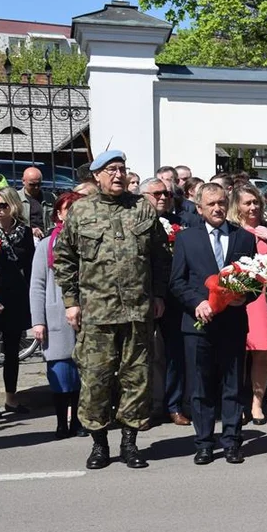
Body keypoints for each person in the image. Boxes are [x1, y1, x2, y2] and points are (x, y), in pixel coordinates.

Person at [54, 150, 170, 470]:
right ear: (97, 176)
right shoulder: (80, 212)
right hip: (97, 313)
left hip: (137, 311)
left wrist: (158, 294)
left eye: (121, 169)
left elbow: (161, 258)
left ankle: (130, 443)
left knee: (136, 379)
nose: (118, 175)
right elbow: (64, 260)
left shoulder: (143, 209)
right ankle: (100, 444)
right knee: (96, 379)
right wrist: (71, 301)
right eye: (111, 170)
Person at [170, 182, 257, 464]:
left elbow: (256, 281)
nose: (218, 208)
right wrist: (198, 303)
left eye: (221, 203)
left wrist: (243, 297)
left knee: (232, 385)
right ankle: (204, 442)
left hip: (232, 323)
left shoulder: (243, 237)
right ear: (199, 208)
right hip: (199, 325)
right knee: (201, 387)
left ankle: (232, 441)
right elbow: (177, 282)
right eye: (211, 204)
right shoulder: (186, 239)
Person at [30, 192, 87, 439]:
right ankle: (61, 423)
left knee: (80, 374)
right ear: (58, 214)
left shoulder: (87, 240)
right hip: (56, 315)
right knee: (61, 374)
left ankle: (77, 421)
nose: (70, 213)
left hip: (85, 313)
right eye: (66, 209)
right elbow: (37, 284)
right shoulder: (46, 245)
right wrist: (38, 321)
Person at [231, 184, 267, 424]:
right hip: (240, 297)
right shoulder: (231, 230)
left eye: (256, 202)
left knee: (263, 352)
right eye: (247, 203)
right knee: (239, 353)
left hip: (263, 298)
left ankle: (257, 403)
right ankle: (239, 402)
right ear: (237, 206)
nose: (253, 207)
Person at [140, 177, 191, 427]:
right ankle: (146, 406)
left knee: (174, 354)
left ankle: (173, 405)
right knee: (142, 355)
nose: (163, 197)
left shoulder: (180, 224)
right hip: (141, 297)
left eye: (167, 194)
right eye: (157, 193)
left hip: (172, 297)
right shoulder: (134, 224)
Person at [0, 187, 35, 419]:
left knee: (12, 349)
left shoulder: (24, 232)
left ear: (13, 206)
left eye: (3, 205)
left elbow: (30, 265)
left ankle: (11, 397)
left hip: (15, 295)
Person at [19, 166, 54, 239]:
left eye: (39, 184)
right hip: (24, 239)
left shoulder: (50, 198)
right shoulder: (15, 198)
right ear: (23, 181)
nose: (36, 187)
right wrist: (29, 230)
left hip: (47, 238)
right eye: (32, 184)